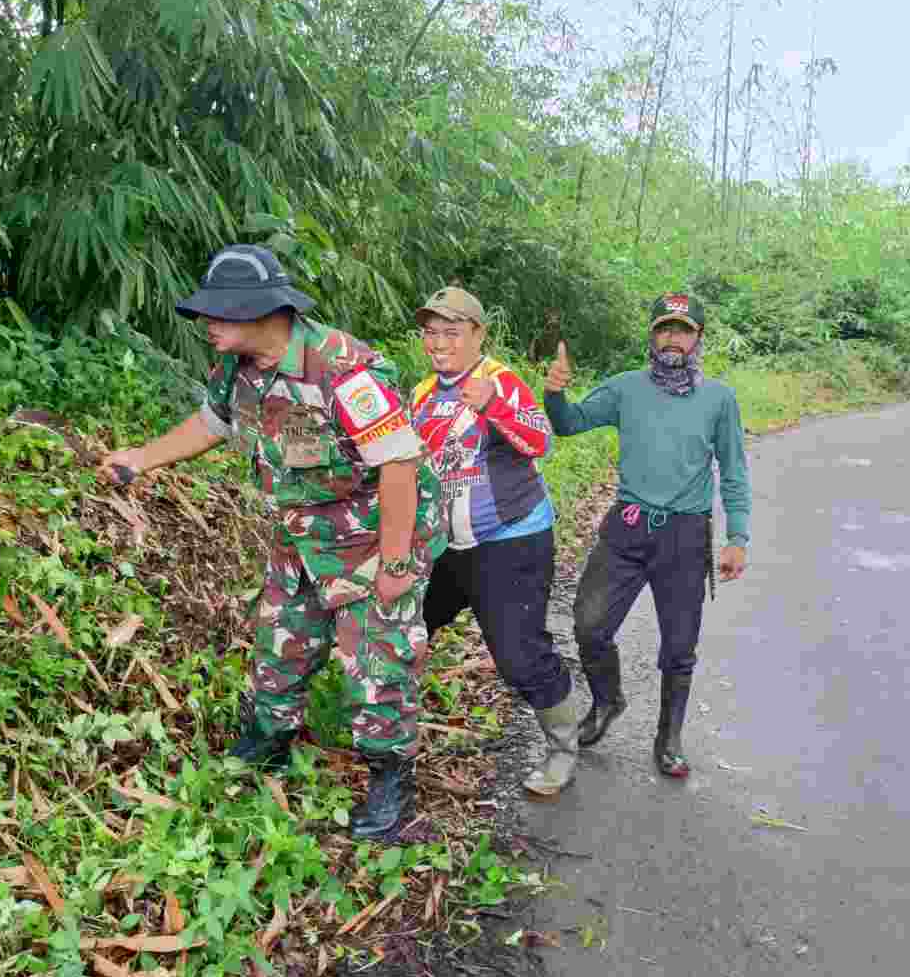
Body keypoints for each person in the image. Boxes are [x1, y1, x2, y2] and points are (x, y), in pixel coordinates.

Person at [102, 245, 446, 841]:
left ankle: (391, 776)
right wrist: (141, 458)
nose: (208, 323)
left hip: (371, 537)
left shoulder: (344, 369)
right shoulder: (237, 368)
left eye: (221, 313)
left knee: (376, 664)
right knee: (279, 646)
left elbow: (398, 466)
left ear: (267, 312)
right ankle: (270, 741)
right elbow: (211, 423)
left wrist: (395, 562)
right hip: (301, 535)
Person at [543, 293, 751, 778]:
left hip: (684, 537)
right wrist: (554, 394)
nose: (672, 338)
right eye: (664, 329)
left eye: (683, 330)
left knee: (679, 648)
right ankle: (607, 700)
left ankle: (669, 737)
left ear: (698, 338)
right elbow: (570, 424)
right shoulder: (625, 389)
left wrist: (737, 536)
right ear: (652, 337)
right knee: (590, 627)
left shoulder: (719, 399)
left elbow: (735, 470)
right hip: (628, 529)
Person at [408, 288, 581, 798]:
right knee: (403, 627)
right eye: (431, 332)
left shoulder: (499, 381)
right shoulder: (421, 393)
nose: (439, 343)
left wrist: (496, 407)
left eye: (451, 332)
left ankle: (563, 749)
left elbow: (540, 441)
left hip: (511, 540)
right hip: (445, 544)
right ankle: (392, 733)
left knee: (519, 655)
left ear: (477, 335)